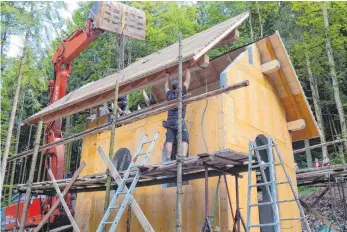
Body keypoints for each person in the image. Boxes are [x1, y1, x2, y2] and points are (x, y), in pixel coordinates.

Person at [164, 66, 191, 161]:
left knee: (169, 140)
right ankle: (183, 157)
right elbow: (187, 81)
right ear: (179, 86)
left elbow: (166, 86)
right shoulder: (181, 92)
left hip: (169, 121)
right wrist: (188, 69)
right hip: (178, 119)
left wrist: (167, 76)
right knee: (185, 137)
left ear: (172, 87)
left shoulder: (169, 95)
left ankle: (167, 158)